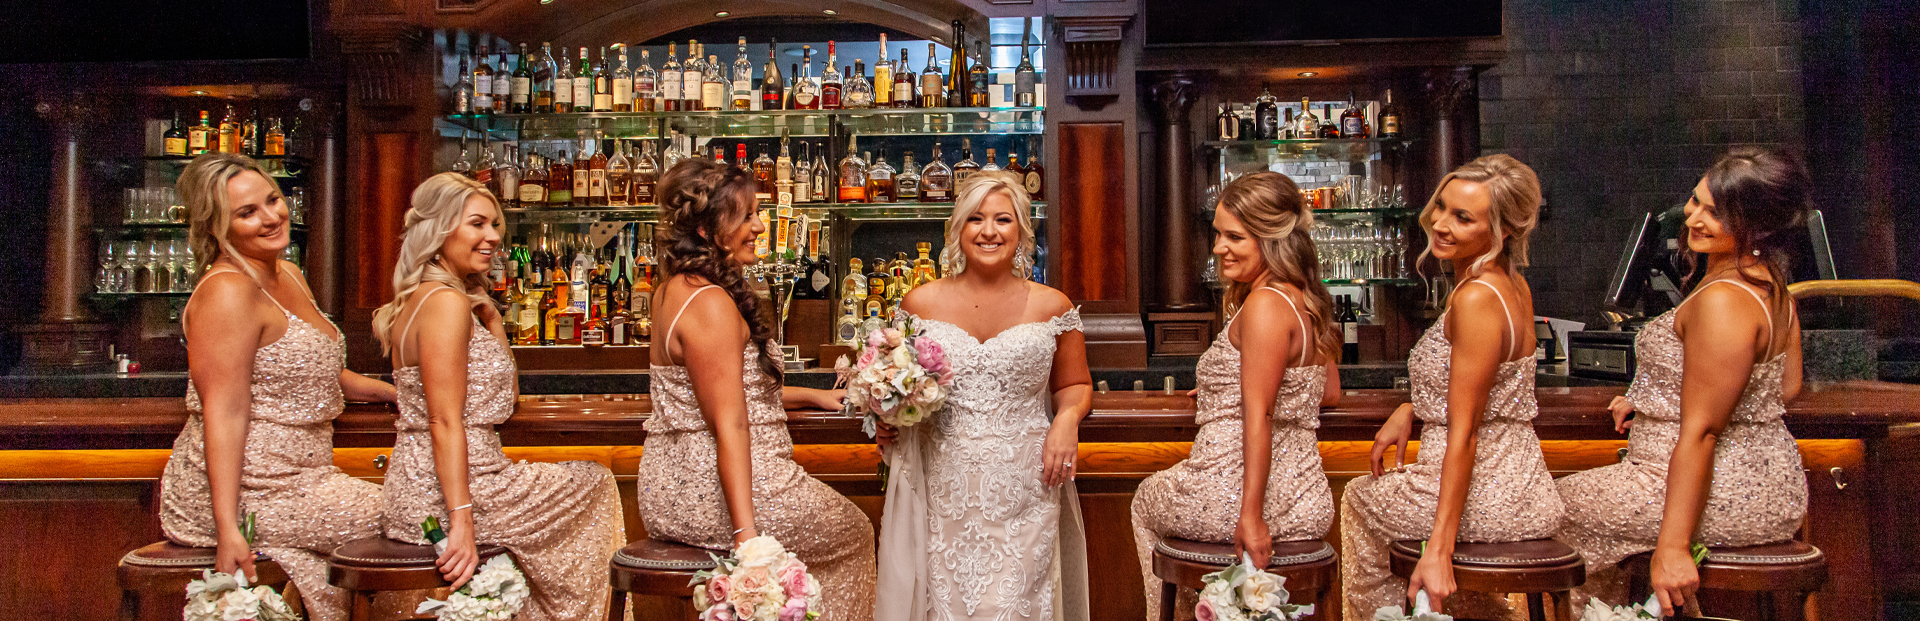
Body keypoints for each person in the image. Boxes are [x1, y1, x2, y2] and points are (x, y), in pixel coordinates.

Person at [1555, 147, 1810, 615]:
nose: (1694, 218)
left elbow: (1702, 431)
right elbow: (1785, 386)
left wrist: (1672, 548)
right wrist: (1657, 399)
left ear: (1759, 226)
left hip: (1720, 489)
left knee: (1548, 512)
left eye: (1717, 214)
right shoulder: (1770, 285)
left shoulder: (1723, 301)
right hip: (1769, 484)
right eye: (1696, 202)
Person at [375, 173, 625, 620]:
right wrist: (461, 521)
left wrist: (491, 321)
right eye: (477, 224)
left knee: (587, 483)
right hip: (454, 489)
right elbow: (444, 421)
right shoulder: (446, 304)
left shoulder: (419, 300)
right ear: (438, 229)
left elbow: (504, 399)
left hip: (417, 483)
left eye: (495, 226)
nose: (492, 238)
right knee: (597, 483)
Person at [633, 158, 875, 620]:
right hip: (720, 490)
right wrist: (748, 542)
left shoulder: (675, 289)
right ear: (706, 229)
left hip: (672, 486)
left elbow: (721, 392)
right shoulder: (710, 304)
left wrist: (812, 395)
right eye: (745, 216)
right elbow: (730, 423)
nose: (761, 227)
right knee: (855, 531)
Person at [160, 152, 397, 621]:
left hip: (304, 478)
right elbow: (223, 412)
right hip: (249, 490)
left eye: (272, 200)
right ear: (215, 228)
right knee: (410, 520)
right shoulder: (228, 290)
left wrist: (396, 393)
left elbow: (320, 372)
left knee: (416, 517)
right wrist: (229, 527)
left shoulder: (286, 271)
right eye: (247, 213)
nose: (270, 217)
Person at [1340, 154, 1565, 619]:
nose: (1439, 223)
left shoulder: (1477, 298)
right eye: (1441, 207)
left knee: (1360, 498)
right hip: (1524, 485)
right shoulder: (1511, 285)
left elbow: (1466, 433)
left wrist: (1439, 548)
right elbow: (1488, 389)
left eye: (1462, 217)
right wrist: (1415, 407)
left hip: (1485, 495)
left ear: (1503, 231)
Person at [875, 172, 1094, 621]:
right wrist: (890, 412)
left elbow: (1075, 385)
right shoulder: (919, 304)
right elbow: (899, 381)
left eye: (1002, 220)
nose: (988, 231)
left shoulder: (1053, 306)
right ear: (957, 229)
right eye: (975, 219)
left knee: (1016, 605)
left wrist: (1066, 421)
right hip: (944, 484)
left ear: (1021, 232)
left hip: (1028, 481)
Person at [1130, 172, 1342, 620]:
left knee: (1146, 498)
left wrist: (1251, 515)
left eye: (1234, 237)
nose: (1218, 247)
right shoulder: (1303, 300)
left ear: (1271, 240)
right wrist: (1224, 388)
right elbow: (1328, 392)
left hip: (1238, 494)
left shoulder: (1265, 305)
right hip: (1306, 497)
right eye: (1217, 234)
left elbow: (1259, 415)